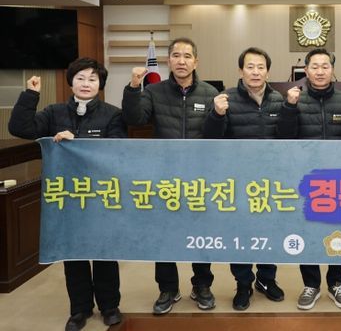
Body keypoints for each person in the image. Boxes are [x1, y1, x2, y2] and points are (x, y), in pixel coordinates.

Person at [8, 58, 125, 331]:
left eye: (92, 79)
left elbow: (117, 150)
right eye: (80, 78)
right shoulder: (54, 112)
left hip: (101, 193)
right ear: (71, 82)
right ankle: (79, 309)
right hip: (67, 195)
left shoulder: (113, 114)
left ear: (100, 84)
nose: (86, 84)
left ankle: (109, 306)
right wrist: (30, 95)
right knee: (74, 254)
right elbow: (20, 129)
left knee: (105, 252)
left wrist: (78, 143)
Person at [122, 37, 218, 315]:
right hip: (164, 175)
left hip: (200, 176)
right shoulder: (154, 91)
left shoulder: (210, 93)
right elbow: (135, 119)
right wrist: (133, 88)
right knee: (163, 235)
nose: (181, 61)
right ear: (168, 61)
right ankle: (168, 288)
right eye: (176, 55)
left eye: (187, 56)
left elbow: (216, 134)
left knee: (201, 235)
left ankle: (202, 285)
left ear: (196, 62)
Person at [203, 47, 285, 310]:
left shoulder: (279, 100)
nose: (256, 72)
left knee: (269, 231)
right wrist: (217, 114)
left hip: (270, 181)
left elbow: (287, 138)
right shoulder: (225, 99)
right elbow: (211, 139)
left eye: (261, 67)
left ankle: (266, 279)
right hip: (237, 181)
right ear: (241, 71)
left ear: (268, 71)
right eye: (250, 67)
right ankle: (243, 284)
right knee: (239, 233)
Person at [277, 48, 341, 311]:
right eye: (315, 66)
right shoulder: (294, 99)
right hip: (305, 180)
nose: (320, 71)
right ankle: (311, 284)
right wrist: (289, 107)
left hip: (340, 180)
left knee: (338, 232)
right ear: (306, 70)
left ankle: (336, 283)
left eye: (325, 66)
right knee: (307, 232)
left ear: (332, 70)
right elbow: (284, 137)